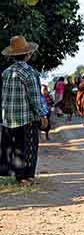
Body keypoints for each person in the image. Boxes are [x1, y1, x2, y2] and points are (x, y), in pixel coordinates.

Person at [0, 36, 48, 186]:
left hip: (8, 117)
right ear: (28, 54)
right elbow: (34, 97)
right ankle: (24, 177)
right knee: (28, 147)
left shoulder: (6, 72)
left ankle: (17, 176)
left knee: (13, 147)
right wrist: (42, 114)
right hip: (25, 117)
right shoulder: (29, 72)